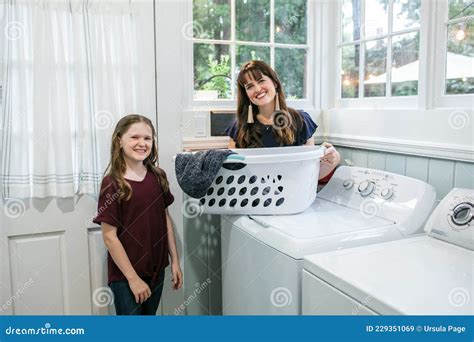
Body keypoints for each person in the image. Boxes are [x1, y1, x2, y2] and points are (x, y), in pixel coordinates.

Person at [93, 114, 183, 315]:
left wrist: (175, 261)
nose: (142, 143)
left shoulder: (158, 176)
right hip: (126, 277)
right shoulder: (113, 183)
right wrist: (133, 279)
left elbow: (165, 219)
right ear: (119, 140)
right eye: (134, 137)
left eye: (147, 138)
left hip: (156, 271)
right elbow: (109, 237)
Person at [226, 60, 340, 180]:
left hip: (292, 194)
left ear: (275, 83)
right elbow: (234, 175)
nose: (257, 89)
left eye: (261, 81)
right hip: (252, 196)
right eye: (250, 86)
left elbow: (309, 175)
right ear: (246, 94)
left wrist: (334, 158)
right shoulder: (239, 127)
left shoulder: (300, 120)